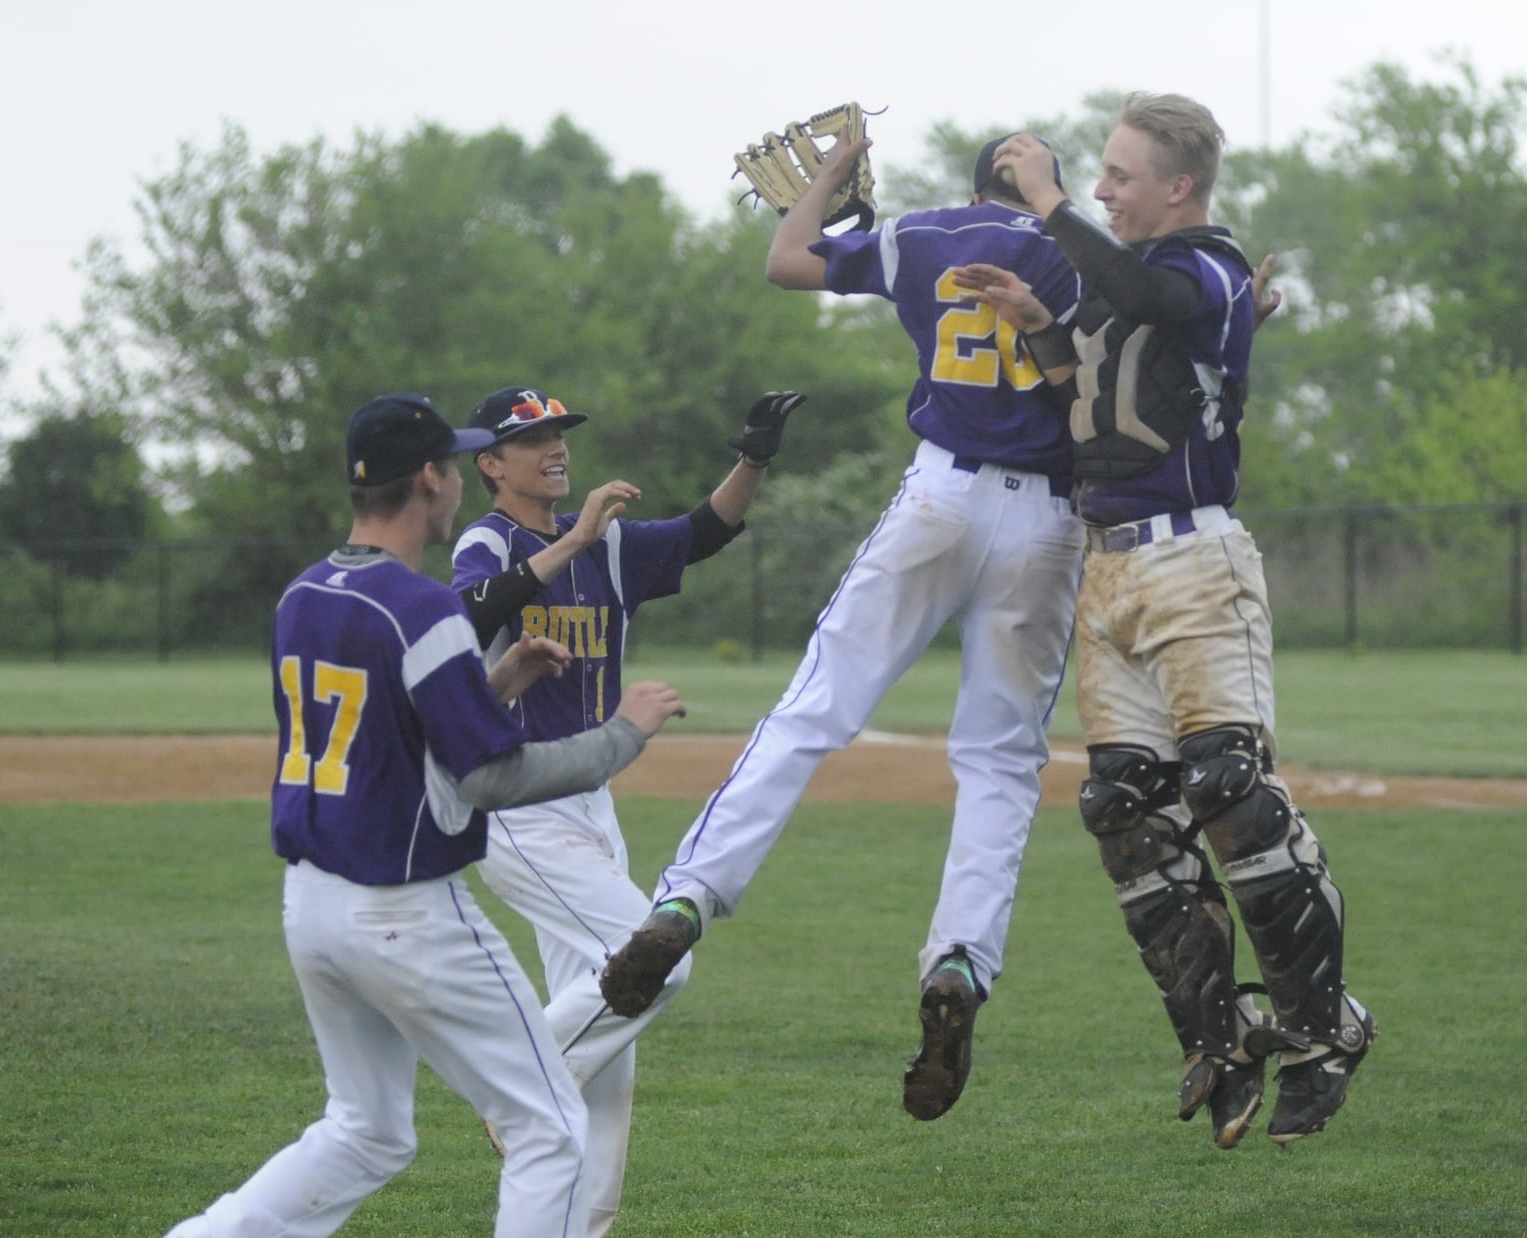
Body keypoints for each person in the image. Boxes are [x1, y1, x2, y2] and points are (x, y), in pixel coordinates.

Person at [599, 127, 1088, 1125]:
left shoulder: (921, 233)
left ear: (969, 182)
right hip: (1046, 517)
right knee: (997, 761)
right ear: (1045, 180)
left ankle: (686, 899)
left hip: (938, 493)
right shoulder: (1082, 250)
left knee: (813, 709)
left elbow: (787, 259)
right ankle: (957, 960)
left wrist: (826, 178)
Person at [952, 91, 1376, 1149]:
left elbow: (1152, 290)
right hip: (1108, 572)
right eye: (1093, 174)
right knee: (1121, 804)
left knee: (1228, 783)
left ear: (1177, 186)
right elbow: (1085, 403)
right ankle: (1216, 1032)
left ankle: (1325, 1026)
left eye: (1118, 174)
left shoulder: (1208, 266)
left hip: (1193, 559)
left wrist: (1044, 201)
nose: (1099, 187)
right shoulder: (1123, 291)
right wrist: (1038, 325)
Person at [166, 393, 686, 1238]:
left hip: (310, 907)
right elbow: (489, 777)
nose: (454, 481)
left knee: (365, 1132)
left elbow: (400, 735)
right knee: (550, 1128)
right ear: (433, 482)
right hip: (404, 910)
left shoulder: (302, 595)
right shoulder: (423, 608)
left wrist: (505, 678)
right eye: (451, 464)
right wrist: (624, 734)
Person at [449, 384, 803, 1237]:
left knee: (613, 1039)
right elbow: (465, 616)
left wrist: (751, 460)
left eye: (560, 432)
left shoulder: (610, 549)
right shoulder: (488, 538)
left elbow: (703, 532)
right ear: (492, 464)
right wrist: (572, 538)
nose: (555, 447)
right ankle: (520, 1092)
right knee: (659, 960)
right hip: (518, 809)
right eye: (532, 439)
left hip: (589, 807)